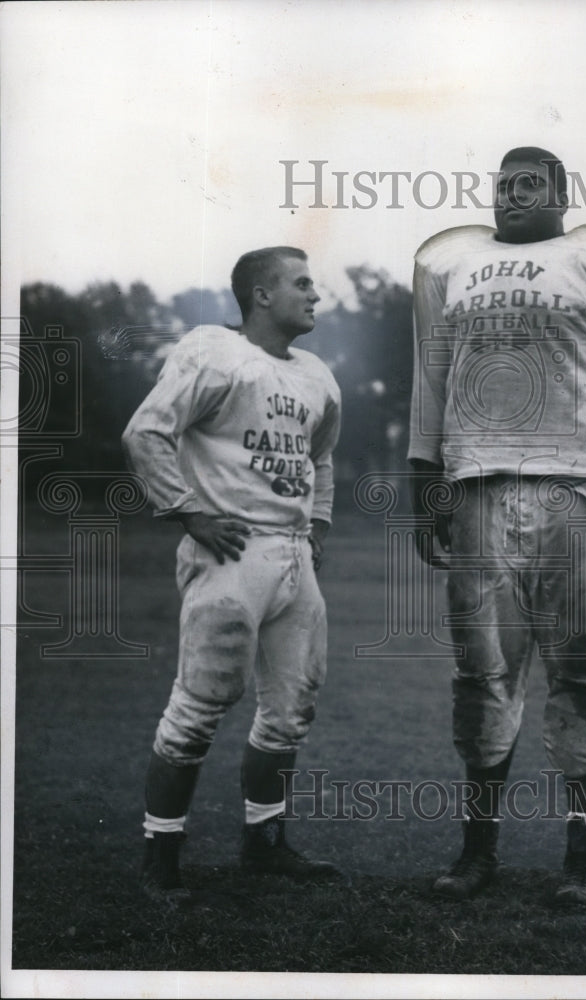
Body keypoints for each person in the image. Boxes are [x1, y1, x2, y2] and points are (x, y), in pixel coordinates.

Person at [408, 147, 586, 903]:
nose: (511, 195)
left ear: (560, 194)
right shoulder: (452, 265)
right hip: (479, 481)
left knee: (584, 671)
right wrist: (426, 482)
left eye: (529, 184)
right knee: (481, 673)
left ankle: (585, 857)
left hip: (577, 482)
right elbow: (430, 375)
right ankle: (476, 852)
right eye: (501, 184)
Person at [123, 246, 342, 902]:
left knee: (290, 709)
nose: (315, 294)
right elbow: (147, 433)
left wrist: (319, 529)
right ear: (261, 294)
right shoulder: (212, 351)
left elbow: (321, 460)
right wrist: (189, 512)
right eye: (301, 283)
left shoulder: (316, 375)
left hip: (293, 555)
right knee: (197, 709)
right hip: (230, 551)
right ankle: (161, 857)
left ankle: (265, 845)